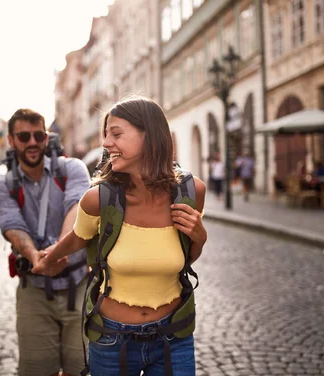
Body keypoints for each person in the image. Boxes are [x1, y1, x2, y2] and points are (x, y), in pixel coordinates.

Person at [32, 97, 207, 375]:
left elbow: (186, 258)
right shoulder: (98, 199)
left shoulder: (190, 192)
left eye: (116, 133)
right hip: (112, 339)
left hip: (174, 336)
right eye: (105, 134)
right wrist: (50, 257)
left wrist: (199, 236)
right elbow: (79, 237)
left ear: (149, 135)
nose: (106, 143)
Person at [0, 108, 91, 376]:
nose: (32, 142)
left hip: (78, 284)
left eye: (38, 135)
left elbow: (77, 207)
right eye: (24, 137)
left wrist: (59, 251)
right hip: (33, 288)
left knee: (81, 369)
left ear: (46, 138)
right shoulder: (3, 187)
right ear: (11, 140)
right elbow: (13, 226)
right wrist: (36, 257)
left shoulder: (72, 169)